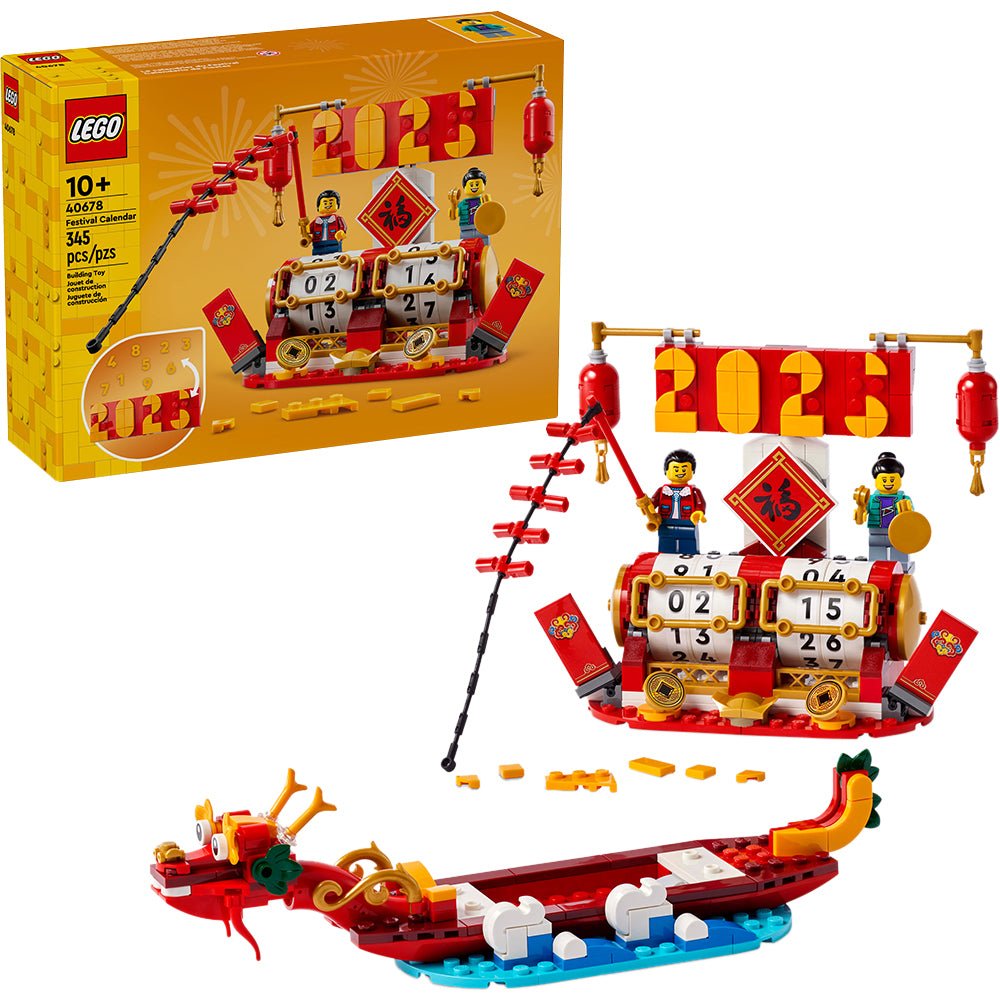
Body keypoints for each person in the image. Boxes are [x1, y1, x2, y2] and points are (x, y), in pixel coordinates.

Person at [862, 451, 914, 564]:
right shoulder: (871, 499)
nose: (888, 483)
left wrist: (907, 514)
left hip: (898, 533)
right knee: (876, 557)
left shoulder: (904, 499)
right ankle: (877, 569)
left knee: (899, 558)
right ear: (876, 480)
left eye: (892, 479)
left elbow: (912, 518)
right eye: (884, 480)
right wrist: (861, 510)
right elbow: (862, 514)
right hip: (876, 532)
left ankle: (901, 570)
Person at [651, 449, 706, 554]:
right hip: (665, 523)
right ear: (666, 471)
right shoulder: (662, 490)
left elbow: (700, 503)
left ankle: (688, 560)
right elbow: (653, 502)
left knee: (688, 546)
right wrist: (648, 505)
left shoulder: (693, 491)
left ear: (692, 471)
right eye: (676, 469)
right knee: (666, 546)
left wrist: (699, 512)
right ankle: (666, 561)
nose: (680, 472)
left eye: (684, 469)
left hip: (688, 523)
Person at [449, 167, 493, 243]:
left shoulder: (484, 200)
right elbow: (453, 217)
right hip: (466, 229)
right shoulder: (462, 204)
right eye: (471, 185)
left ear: (484, 185)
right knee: (466, 246)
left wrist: (488, 204)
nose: (474, 187)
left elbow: (492, 213)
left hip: (482, 228)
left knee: (484, 246)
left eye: (477, 184)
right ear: (465, 187)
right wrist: (453, 204)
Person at [309, 190, 347, 255]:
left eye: (331, 203)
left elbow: (343, 227)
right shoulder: (316, 221)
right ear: (318, 206)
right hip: (318, 245)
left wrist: (341, 232)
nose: (328, 205)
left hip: (334, 243)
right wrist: (304, 228)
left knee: (335, 256)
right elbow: (309, 230)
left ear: (337, 205)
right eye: (325, 203)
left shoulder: (338, 218)